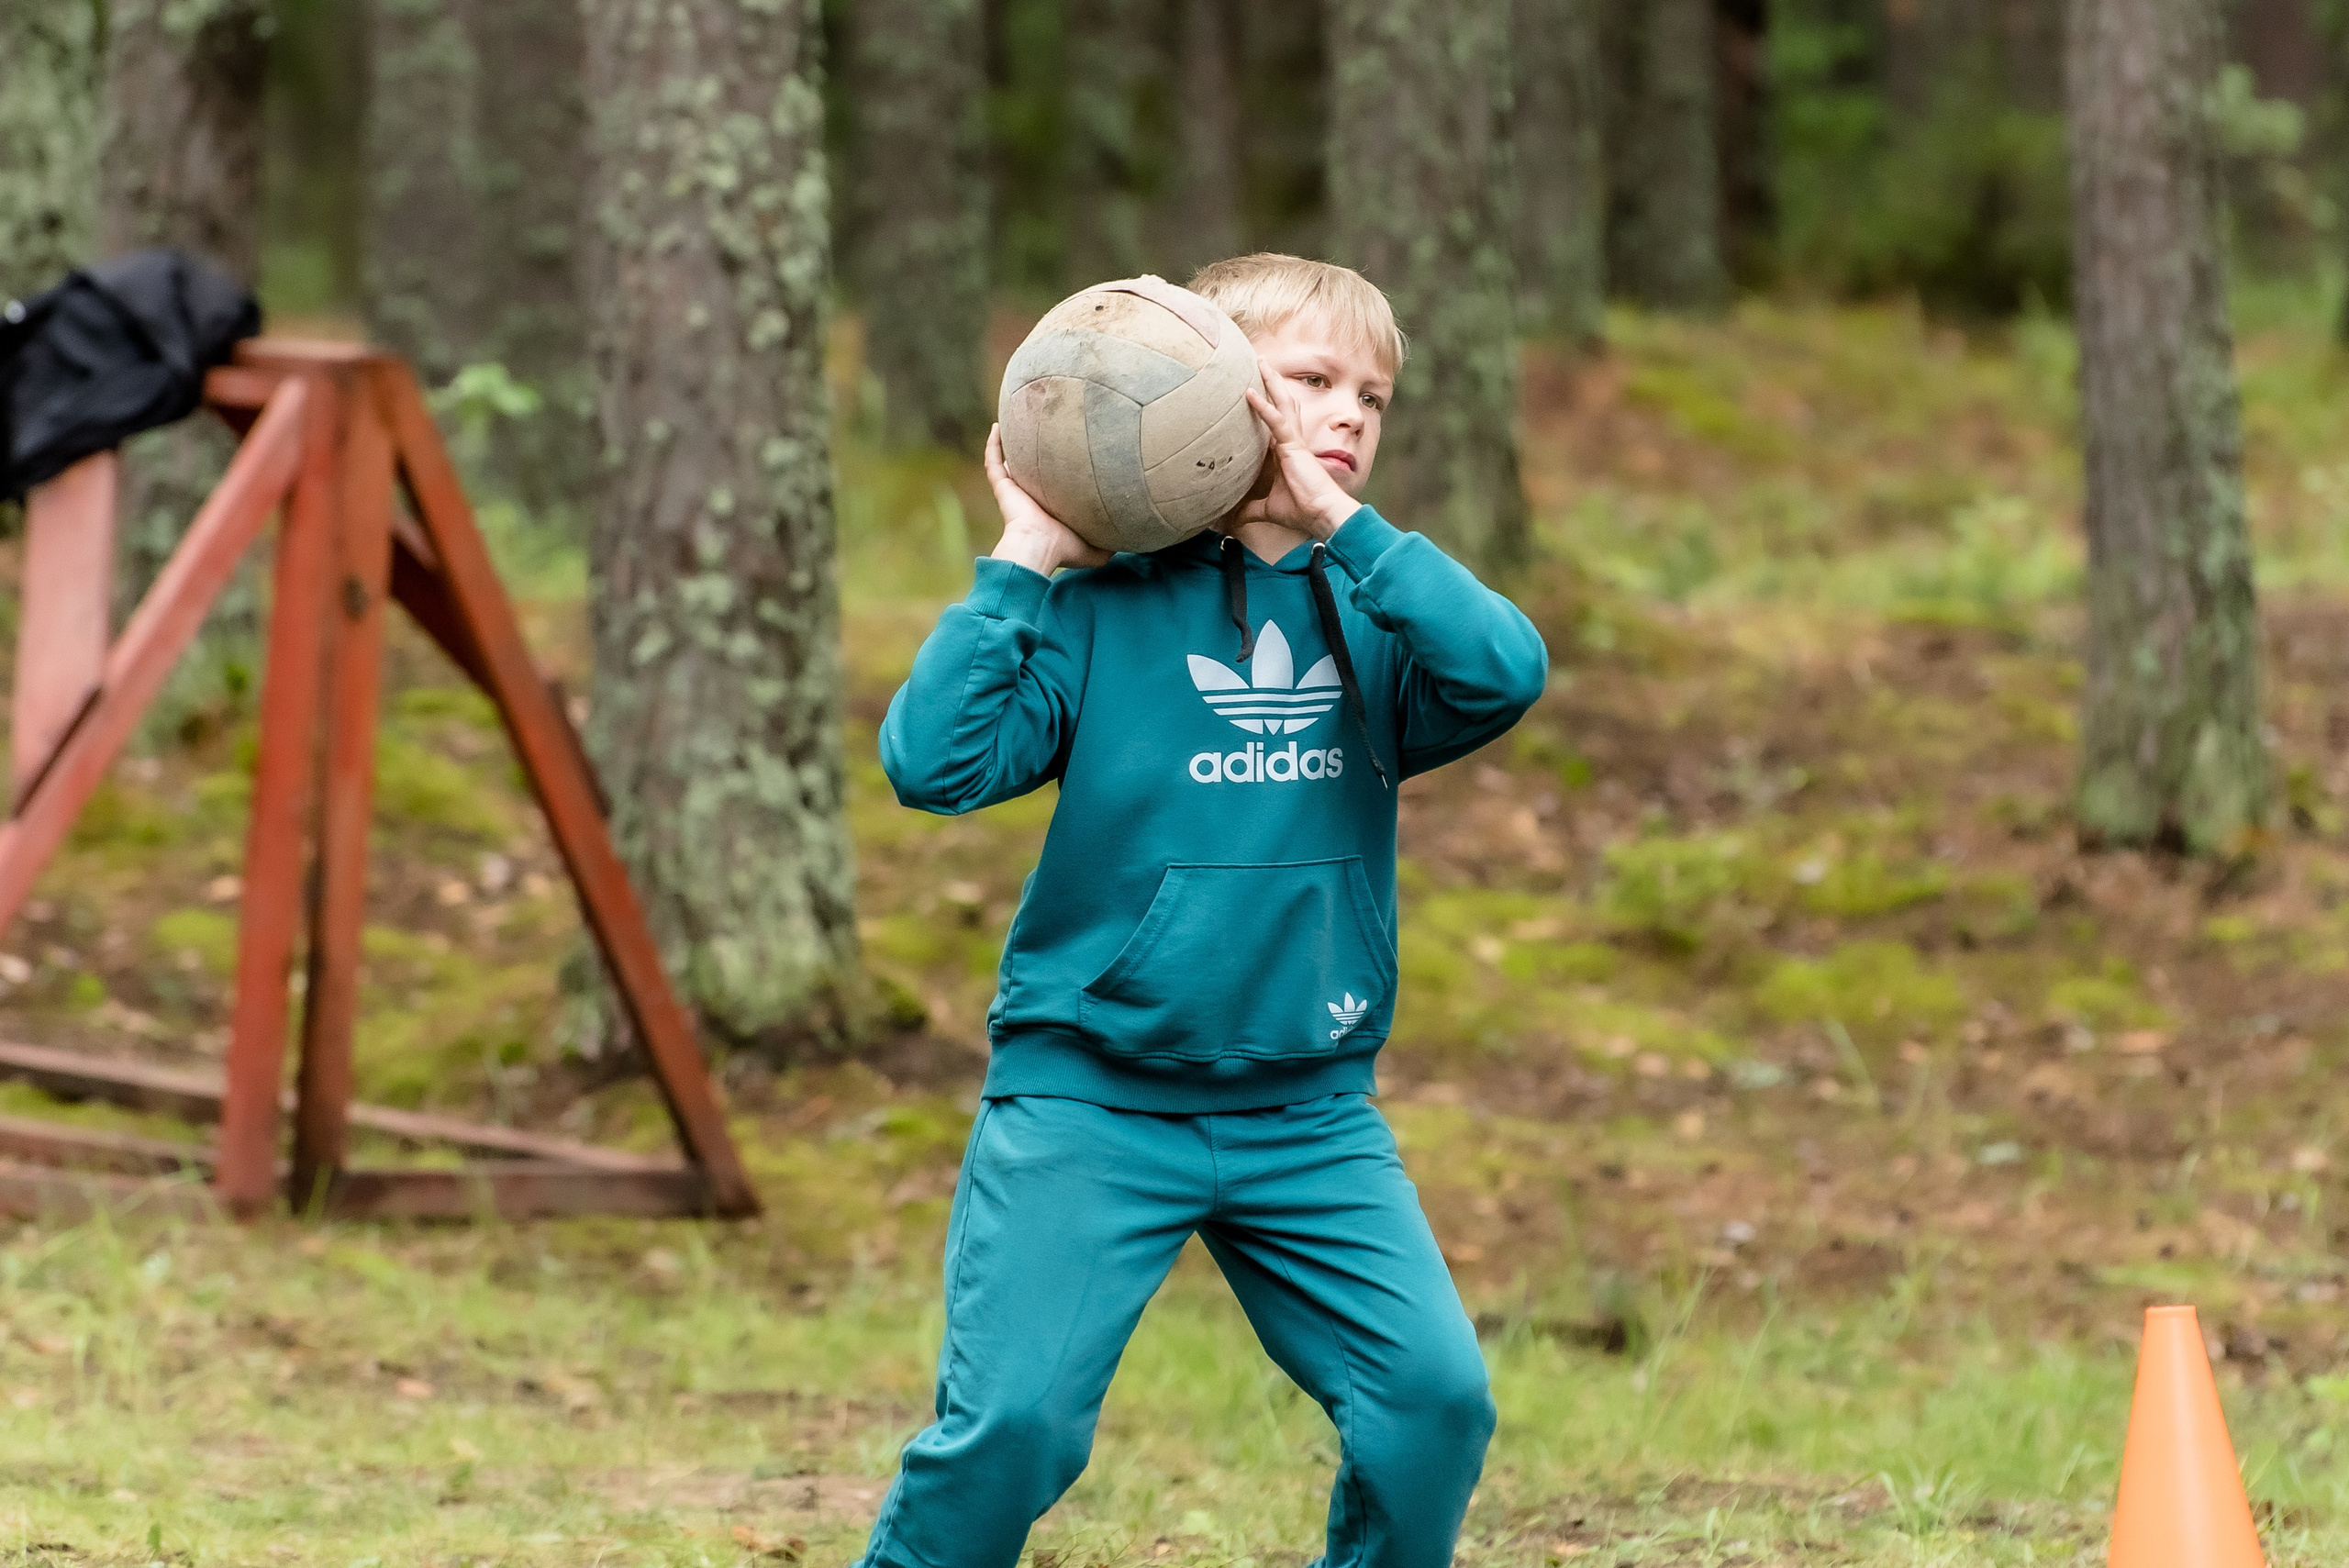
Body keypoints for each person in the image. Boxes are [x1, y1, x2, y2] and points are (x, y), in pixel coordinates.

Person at [860, 253, 1548, 1568]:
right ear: (1214, 395)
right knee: (1011, 1430)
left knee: (1432, 1406)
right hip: (1091, 1100)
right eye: (1309, 382)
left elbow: (1508, 668)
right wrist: (1026, 552)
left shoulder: (1377, 611)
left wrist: (1348, 530)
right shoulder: (1094, 612)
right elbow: (931, 765)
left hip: (1308, 1112)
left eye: (1371, 394)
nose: (1347, 413)